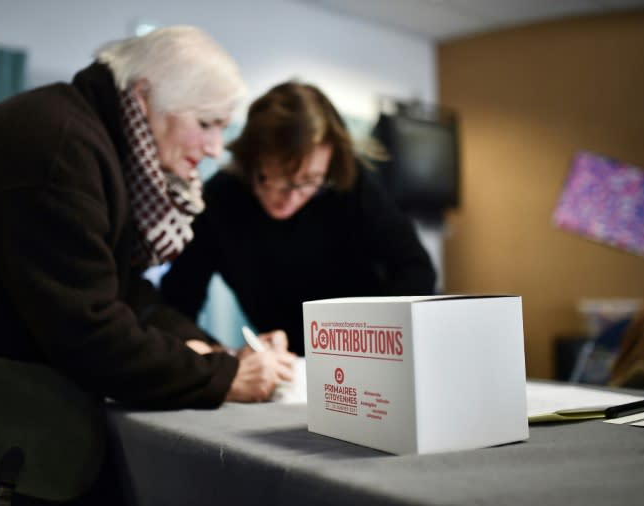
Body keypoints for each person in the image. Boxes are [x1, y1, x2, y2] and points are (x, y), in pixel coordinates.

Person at [0, 26, 294, 506]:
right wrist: (224, 375)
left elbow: (124, 294)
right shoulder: (60, 146)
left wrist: (218, 351)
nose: (213, 148)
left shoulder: (82, 134)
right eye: (207, 123)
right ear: (146, 96)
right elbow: (90, 331)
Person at [161, 81, 437, 356]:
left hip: (366, 352)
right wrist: (216, 355)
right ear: (250, 160)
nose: (289, 198)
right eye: (274, 179)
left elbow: (416, 269)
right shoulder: (220, 199)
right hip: (288, 363)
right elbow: (177, 301)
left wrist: (377, 340)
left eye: (309, 182)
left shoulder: (349, 186)